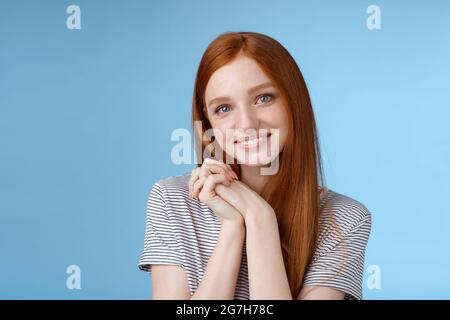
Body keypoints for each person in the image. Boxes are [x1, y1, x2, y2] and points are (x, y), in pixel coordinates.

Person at [138, 31, 372, 300]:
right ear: (209, 122)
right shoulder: (172, 200)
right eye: (224, 108)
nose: (247, 123)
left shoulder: (344, 219)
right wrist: (232, 226)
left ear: (293, 103)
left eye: (263, 98)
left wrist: (260, 218)